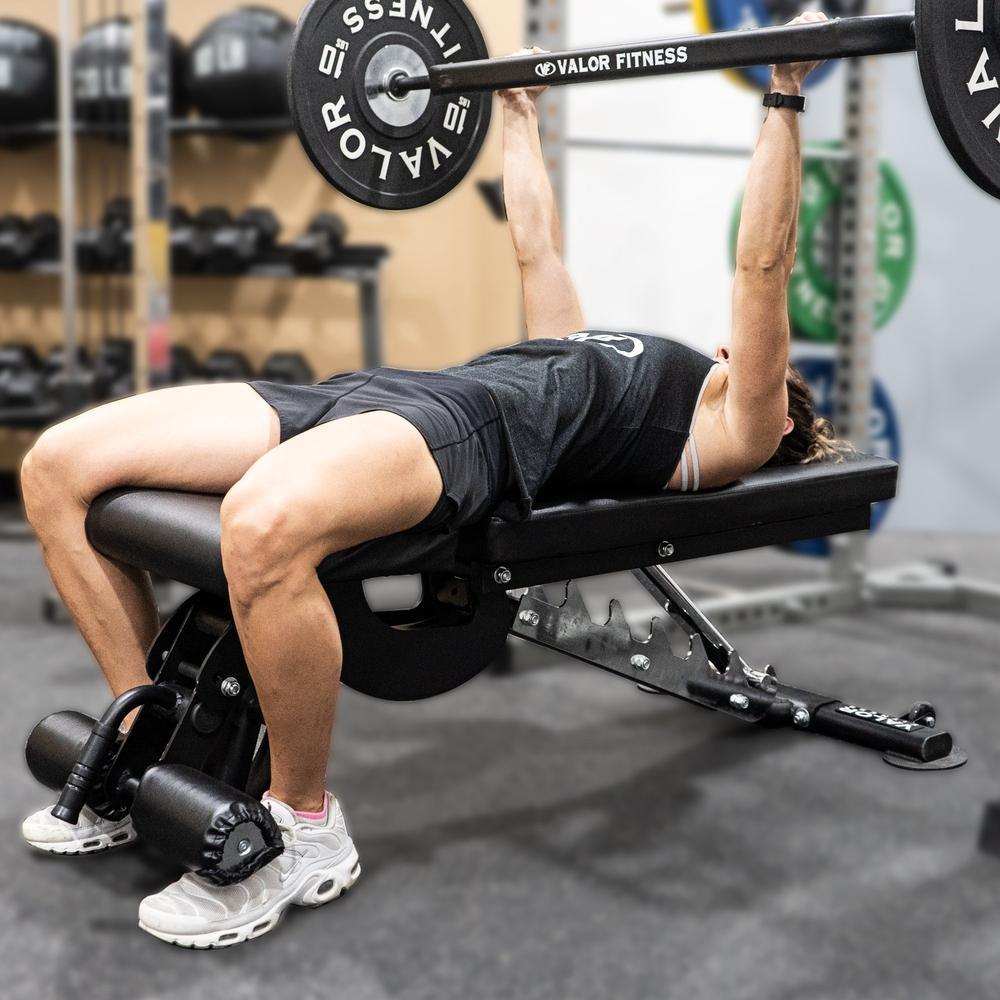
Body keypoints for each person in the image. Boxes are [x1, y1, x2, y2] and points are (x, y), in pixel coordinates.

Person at [19, 15, 841, 947]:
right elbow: (539, 254)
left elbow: (763, 264)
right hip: (388, 394)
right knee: (58, 468)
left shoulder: (734, 430)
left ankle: (303, 828)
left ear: (777, 417)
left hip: (470, 435)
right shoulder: (611, 358)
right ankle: (146, 746)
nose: (737, 348)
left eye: (767, 371)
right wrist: (518, 112)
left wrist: (784, 87)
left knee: (260, 528)